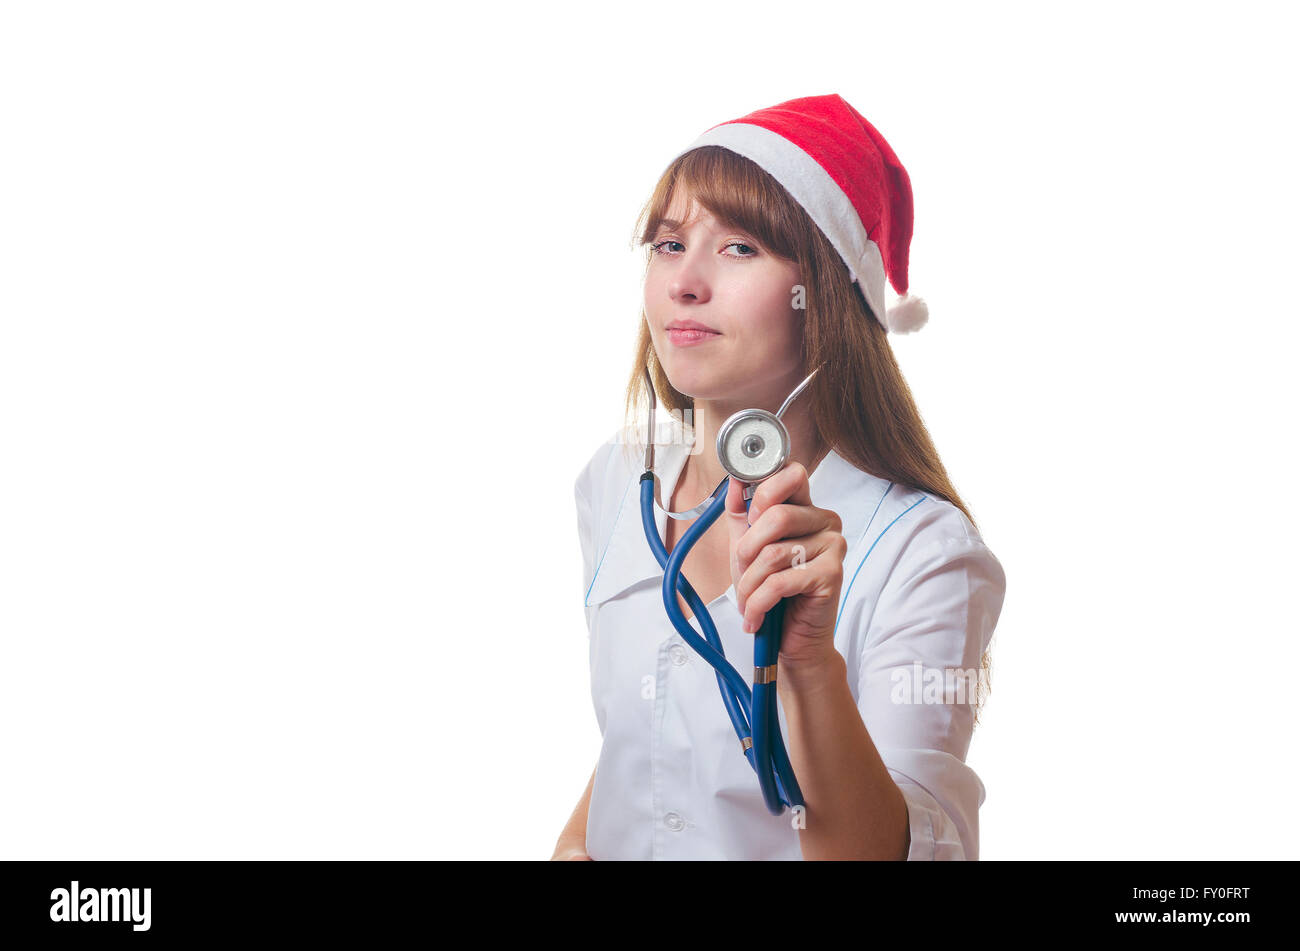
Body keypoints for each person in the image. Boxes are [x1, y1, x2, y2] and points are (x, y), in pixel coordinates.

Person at [552, 94, 1007, 861]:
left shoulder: (924, 551)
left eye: (739, 248)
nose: (685, 283)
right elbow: (654, 729)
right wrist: (573, 845)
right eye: (668, 244)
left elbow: (892, 850)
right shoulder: (620, 476)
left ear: (826, 293)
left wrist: (807, 666)